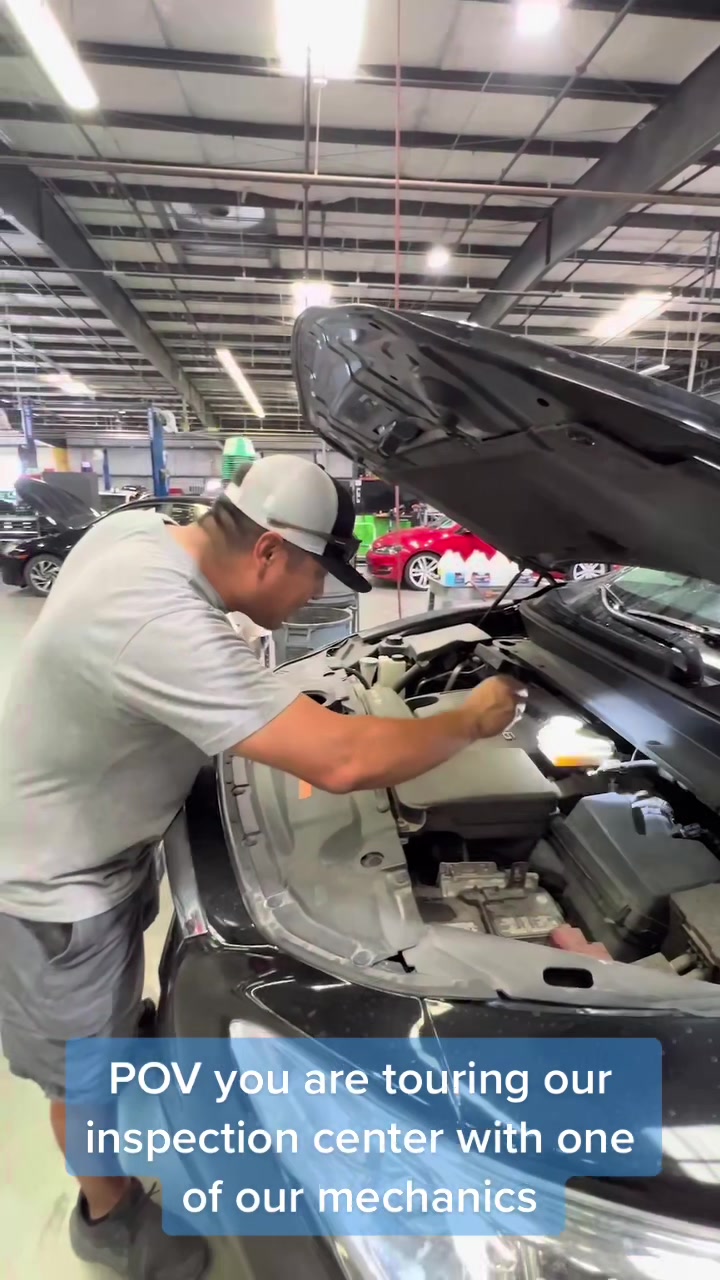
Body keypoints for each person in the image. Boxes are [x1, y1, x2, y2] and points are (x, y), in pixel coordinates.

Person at [0, 455, 524, 1279]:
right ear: (271, 550)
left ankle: (119, 1032)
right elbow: (343, 761)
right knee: (80, 1077)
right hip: (48, 884)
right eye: (316, 575)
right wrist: (470, 719)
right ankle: (107, 1217)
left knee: (104, 1024)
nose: (316, 598)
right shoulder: (161, 620)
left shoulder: (137, 535)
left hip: (96, 838)